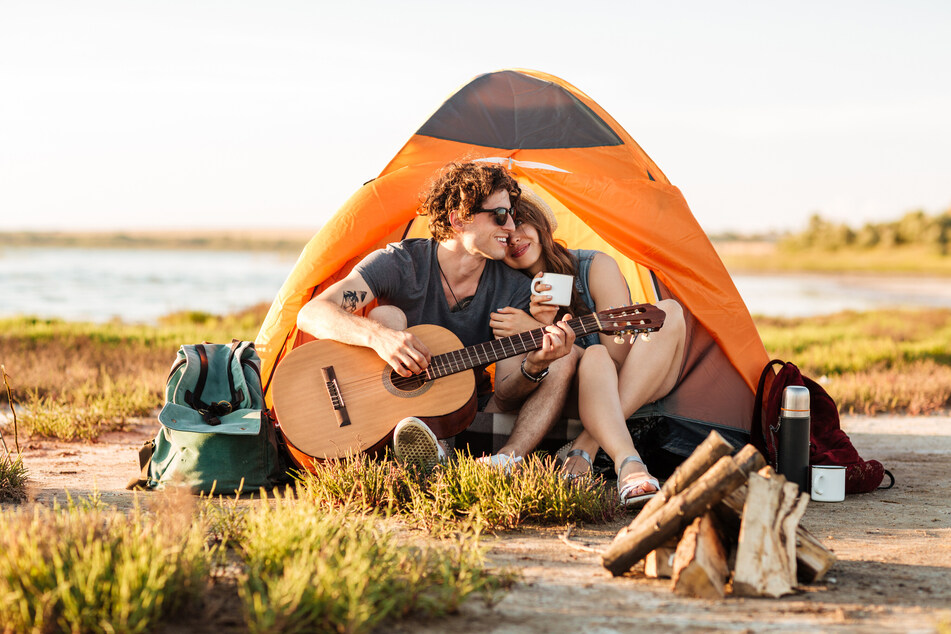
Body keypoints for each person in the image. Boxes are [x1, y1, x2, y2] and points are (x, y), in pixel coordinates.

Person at [296, 161, 577, 467]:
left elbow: (507, 396)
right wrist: (380, 337)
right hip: (381, 412)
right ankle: (416, 444)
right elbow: (312, 313)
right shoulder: (401, 263)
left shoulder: (513, 289)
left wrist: (534, 366)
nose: (510, 227)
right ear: (459, 219)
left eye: (511, 215)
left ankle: (503, 463)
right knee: (388, 316)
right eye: (499, 215)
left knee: (564, 358)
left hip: (464, 412)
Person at [489, 186, 687, 506]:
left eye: (522, 222)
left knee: (671, 312)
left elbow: (618, 362)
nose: (515, 238)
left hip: (622, 382)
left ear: (541, 225)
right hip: (563, 396)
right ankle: (629, 463)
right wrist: (538, 332)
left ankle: (586, 445)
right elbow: (505, 392)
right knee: (593, 354)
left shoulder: (593, 267)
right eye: (505, 233)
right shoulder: (508, 293)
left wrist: (539, 329)